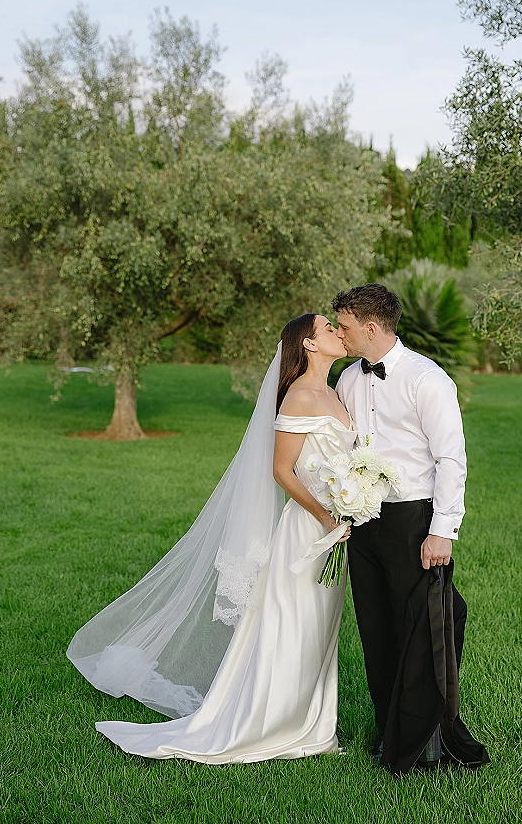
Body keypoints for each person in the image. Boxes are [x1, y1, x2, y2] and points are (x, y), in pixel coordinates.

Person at [67, 313, 357, 763]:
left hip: (337, 530)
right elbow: (282, 470)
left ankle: (310, 723)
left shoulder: (335, 393)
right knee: (293, 624)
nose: (338, 331)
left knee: (319, 627)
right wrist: (324, 515)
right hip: (307, 531)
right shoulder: (299, 396)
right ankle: (268, 724)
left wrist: (352, 502)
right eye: (328, 328)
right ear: (309, 344)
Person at [333, 283, 489, 774]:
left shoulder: (427, 379)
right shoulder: (347, 379)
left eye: (344, 326)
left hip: (413, 521)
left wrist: (442, 530)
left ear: (371, 328)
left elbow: (451, 459)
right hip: (363, 521)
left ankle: (426, 740)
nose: (339, 333)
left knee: (423, 628)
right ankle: (389, 731)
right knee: (376, 629)